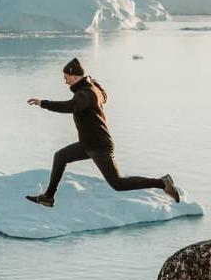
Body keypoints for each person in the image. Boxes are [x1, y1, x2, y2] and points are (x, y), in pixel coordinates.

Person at [25, 58, 180, 207]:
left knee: (118, 184)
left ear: (74, 76)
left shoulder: (85, 94)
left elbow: (70, 106)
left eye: (66, 77)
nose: (65, 81)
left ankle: (162, 183)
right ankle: (48, 197)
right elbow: (104, 97)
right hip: (88, 144)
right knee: (60, 157)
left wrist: (43, 103)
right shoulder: (90, 89)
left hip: (99, 146)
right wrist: (95, 83)